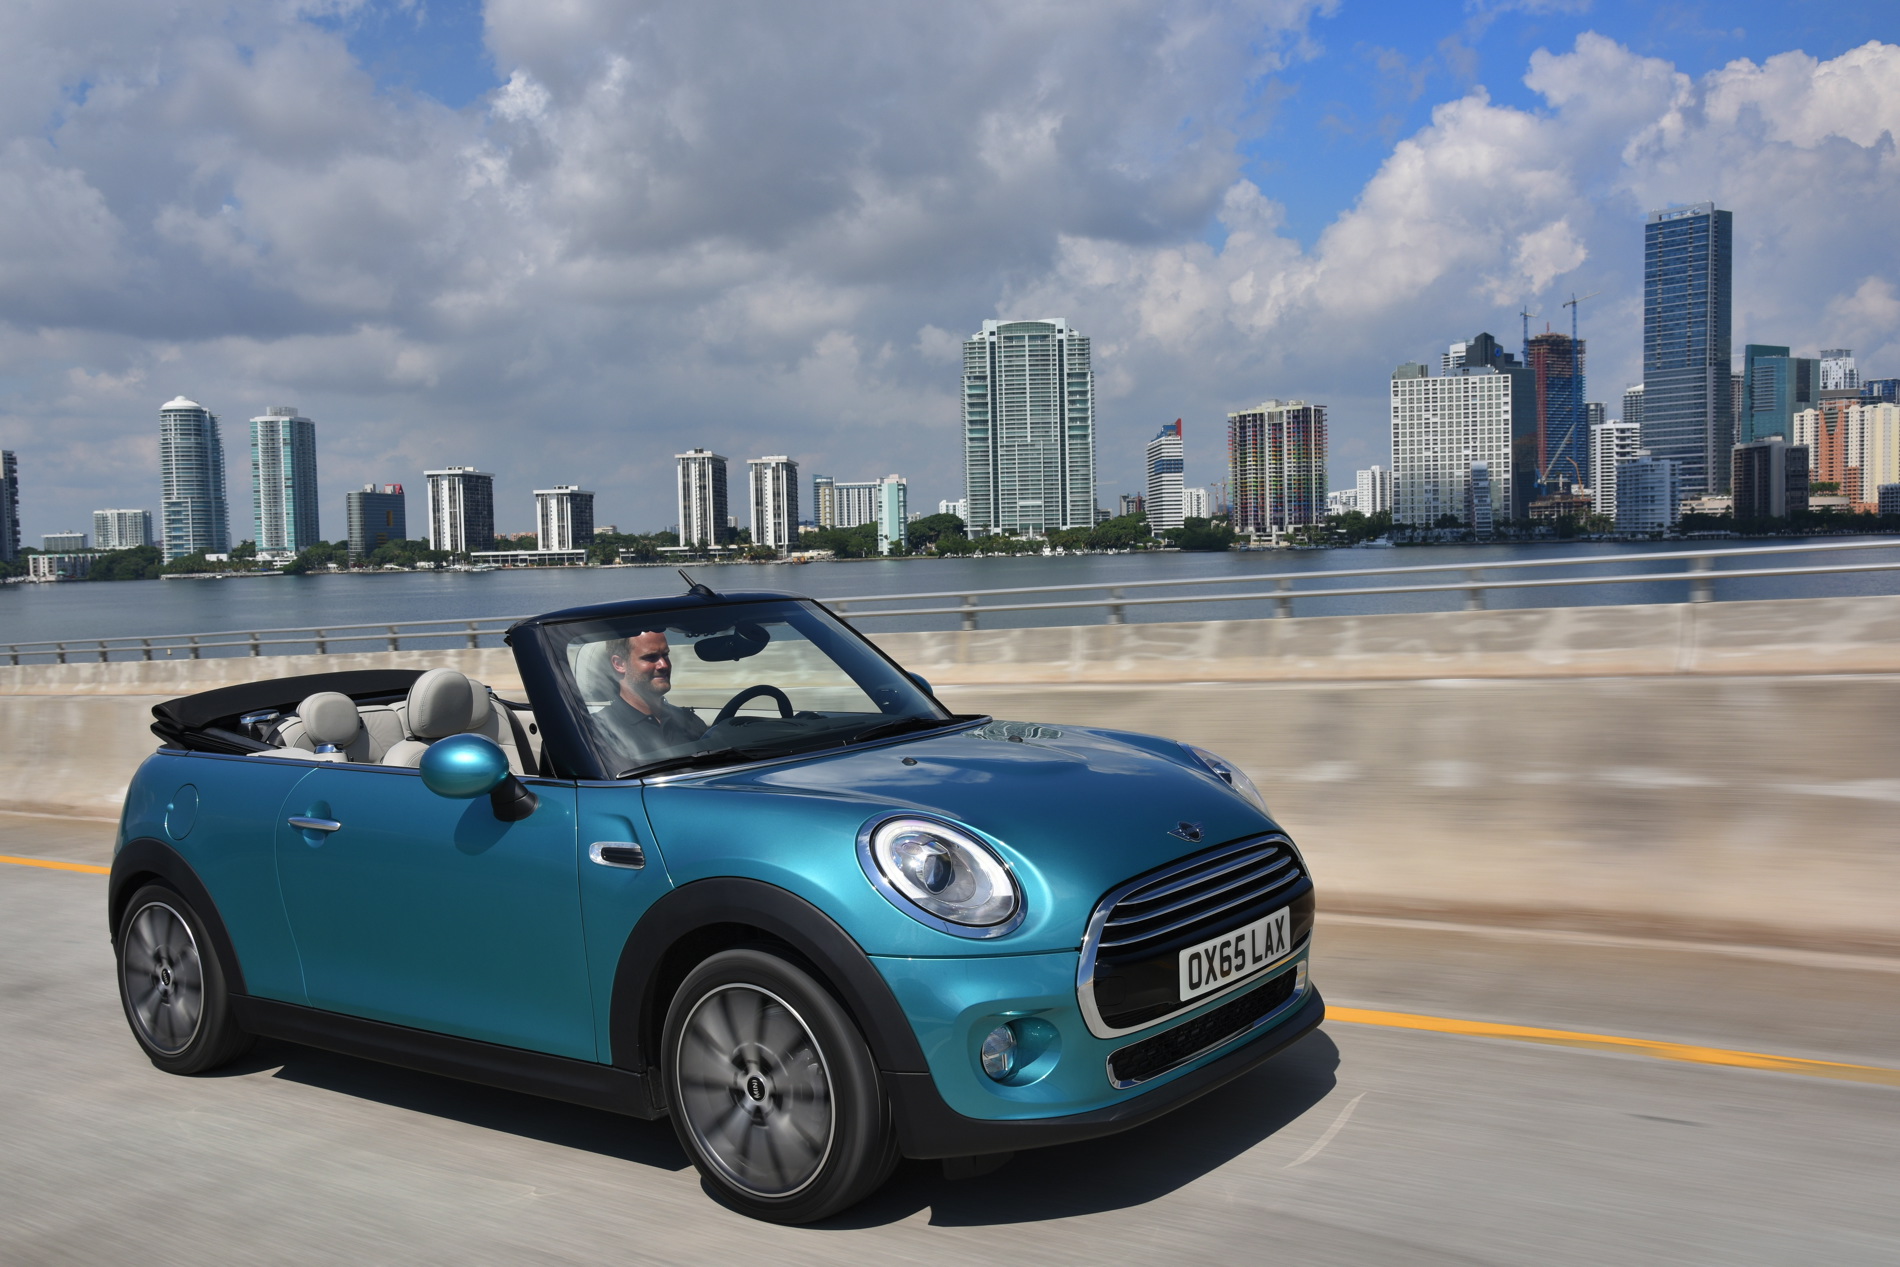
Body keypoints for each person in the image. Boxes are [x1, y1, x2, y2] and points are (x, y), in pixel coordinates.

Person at [593, 629, 708, 768]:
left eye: (665, 655)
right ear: (619, 664)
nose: (664, 665)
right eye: (650, 657)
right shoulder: (599, 731)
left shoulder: (689, 721)